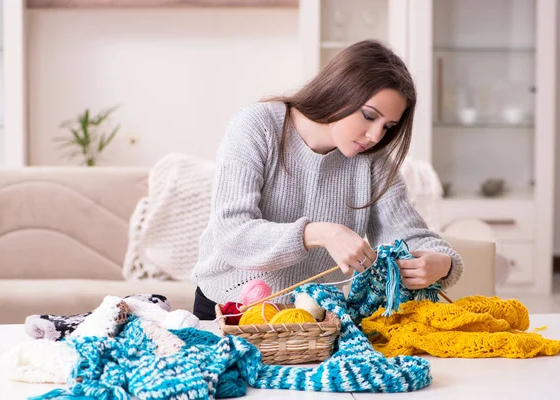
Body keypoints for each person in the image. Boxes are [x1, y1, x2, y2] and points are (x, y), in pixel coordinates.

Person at [191, 40, 463, 320]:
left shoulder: (373, 159)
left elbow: (406, 233)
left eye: (388, 127)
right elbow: (233, 234)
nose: (375, 136)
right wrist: (320, 233)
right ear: (341, 91)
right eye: (369, 116)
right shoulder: (257, 126)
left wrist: (443, 263)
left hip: (312, 315)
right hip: (229, 310)